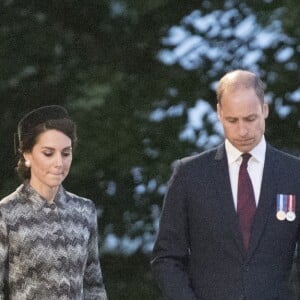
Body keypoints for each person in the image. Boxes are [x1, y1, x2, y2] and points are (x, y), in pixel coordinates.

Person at [151, 70, 300, 300]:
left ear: (265, 110)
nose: (242, 131)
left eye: (250, 119)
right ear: (219, 113)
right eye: (232, 120)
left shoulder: (294, 174)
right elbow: (166, 258)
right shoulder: (190, 175)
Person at [0, 105, 108, 300]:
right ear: (27, 155)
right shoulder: (6, 214)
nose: (59, 163)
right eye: (48, 153)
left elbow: (94, 286)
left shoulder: (84, 210)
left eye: (66, 153)